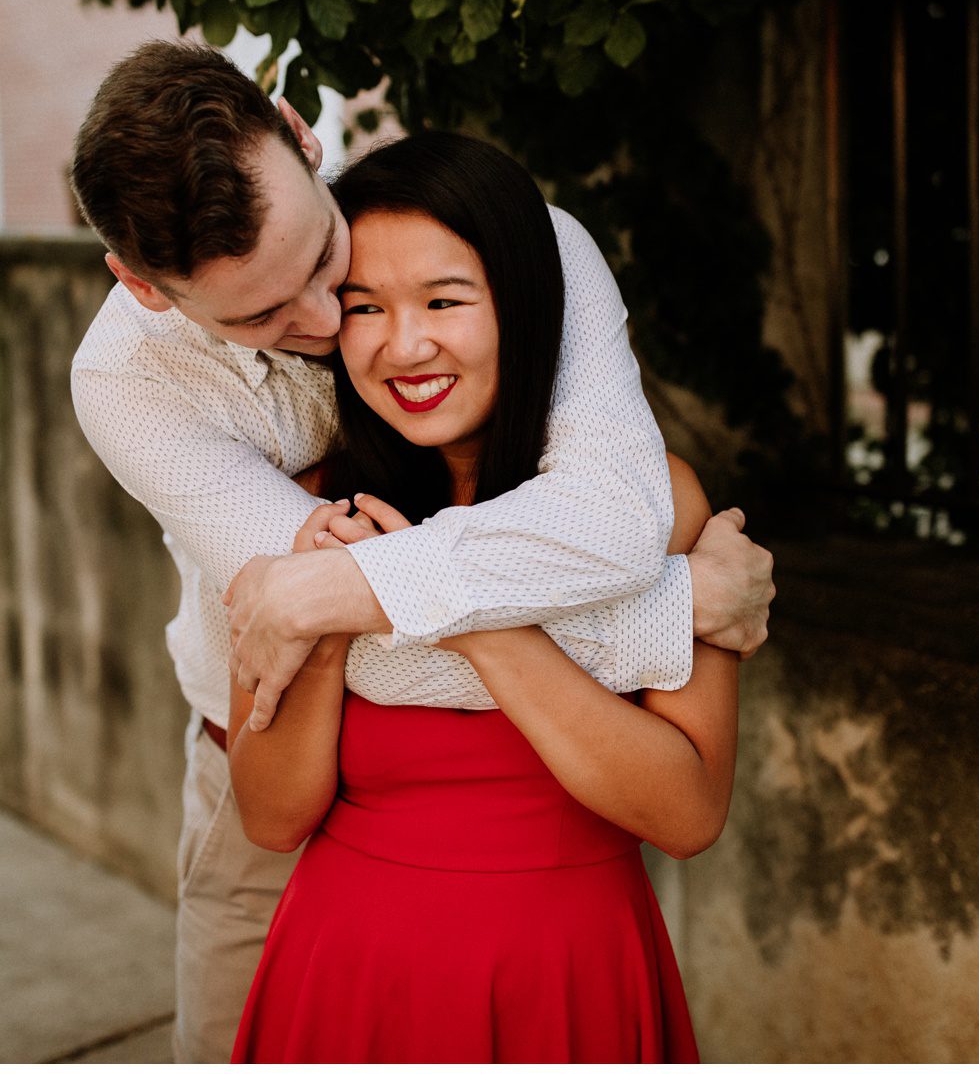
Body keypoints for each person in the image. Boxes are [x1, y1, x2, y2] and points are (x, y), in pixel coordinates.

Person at [67, 40, 775, 1063]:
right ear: (144, 288)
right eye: (264, 313)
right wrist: (670, 612)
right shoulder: (127, 384)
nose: (328, 321)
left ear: (300, 135)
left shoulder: (507, 238)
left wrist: (339, 590)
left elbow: (607, 521)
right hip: (275, 757)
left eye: (326, 263)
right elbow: (340, 637)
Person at [227, 132, 736, 1061]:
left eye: (444, 300)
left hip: (568, 974)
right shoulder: (313, 511)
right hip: (349, 971)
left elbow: (688, 814)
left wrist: (436, 602)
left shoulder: (644, 509)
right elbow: (271, 818)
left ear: (523, 306)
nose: (404, 344)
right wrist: (330, 621)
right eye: (364, 307)